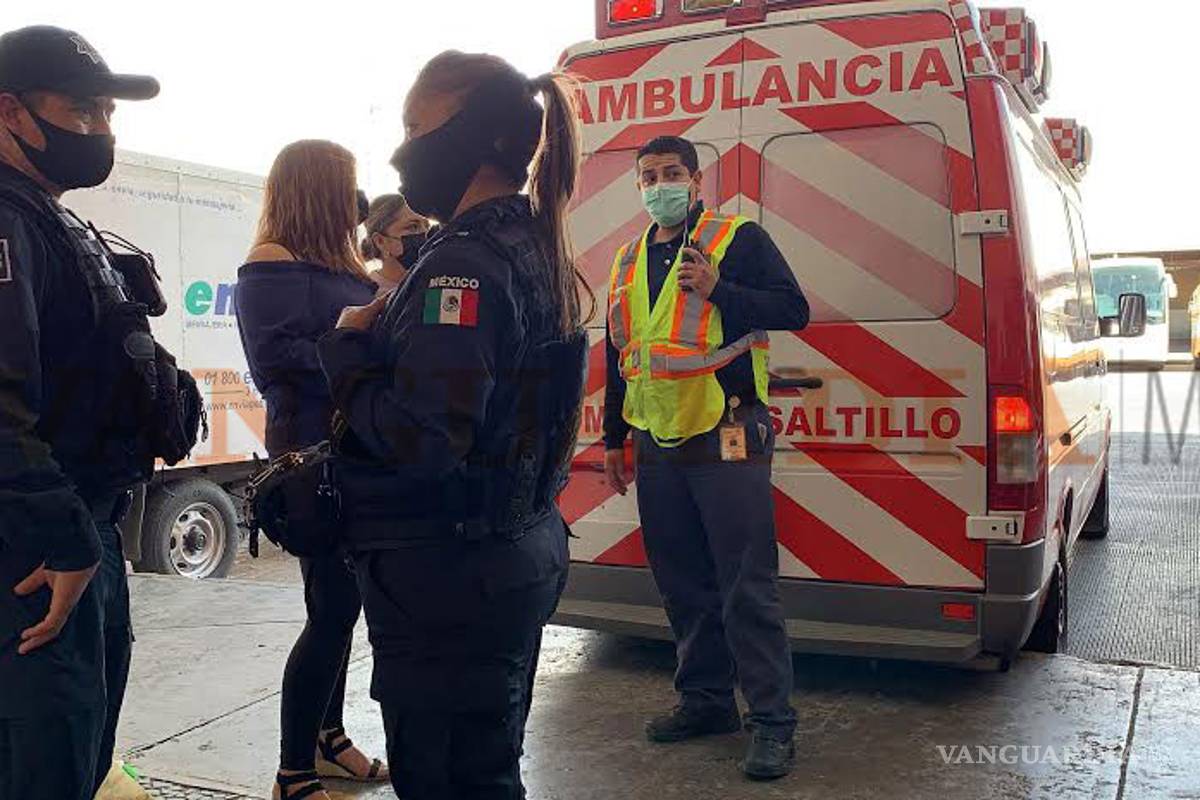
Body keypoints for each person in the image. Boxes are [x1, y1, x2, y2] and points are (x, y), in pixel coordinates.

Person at [316, 50, 589, 799]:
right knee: (487, 767)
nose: (402, 147)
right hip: (511, 553)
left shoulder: (458, 267)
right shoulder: (536, 244)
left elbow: (426, 441)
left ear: (474, 135)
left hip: (448, 578)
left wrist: (346, 356)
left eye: (414, 125)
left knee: (449, 779)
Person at [0, 25, 200, 800]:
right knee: (43, 761)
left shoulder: (52, 217)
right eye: (82, 111)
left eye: (110, 115)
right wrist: (65, 538)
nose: (101, 131)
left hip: (81, 530)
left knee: (79, 752)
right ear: (10, 111)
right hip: (34, 551)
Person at [602, 135, 810, 780]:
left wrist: (721, 288)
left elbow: (793, 310)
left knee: (746, 583)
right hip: (657, 438)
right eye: (648, 176)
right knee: (682, 580)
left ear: (695, 182)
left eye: (670, 174)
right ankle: (705, 700)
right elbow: (620, 351)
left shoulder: (735, 239)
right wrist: (613, 438)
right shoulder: (629, 256)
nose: (658, 185)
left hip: (727, 430)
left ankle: (772, 723)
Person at [235, 140, 388, 800]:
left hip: (359, 449)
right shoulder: (271, 261)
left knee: (343, 608)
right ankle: (292, 770)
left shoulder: (344, 262)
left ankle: (330, 740)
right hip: (311, 458)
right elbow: (275, 359)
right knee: (330, 610)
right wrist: (355, 331)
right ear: (317, 187)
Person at [360, 192, 430, 295]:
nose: (426, 234)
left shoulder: (434, 287)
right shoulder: (364, 296)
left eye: (427, 226)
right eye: (413, 227)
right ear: (381, 241)